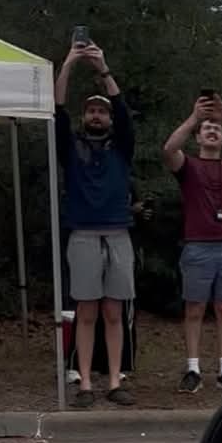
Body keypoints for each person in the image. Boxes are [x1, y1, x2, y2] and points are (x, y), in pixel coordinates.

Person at [54, 41, 136, 408]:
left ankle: (116, 380)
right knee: (86, 311)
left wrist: (102, 67)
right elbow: (56, 110)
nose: (96, 115)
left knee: (114, 312)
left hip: (118, 233)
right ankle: (85, 382)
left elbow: (123, 109)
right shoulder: (70, 147)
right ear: (84, 116)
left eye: (101, 111)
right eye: (90, 110)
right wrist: (69, 63)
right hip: (83, 234)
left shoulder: (121, 147)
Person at [163, 93, 222, 392]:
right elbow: (169, 149)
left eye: (216, 129)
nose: (212, 130)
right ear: (198, 137)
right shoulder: (187, 166)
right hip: (197, 245)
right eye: (206, 128)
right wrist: (194, 117)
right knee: (194, 308)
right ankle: (192, 368)